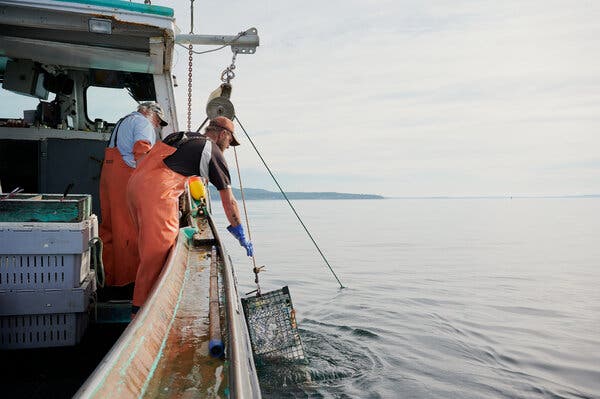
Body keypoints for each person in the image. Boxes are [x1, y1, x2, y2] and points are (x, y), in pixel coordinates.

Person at [126, 116, 253, 314]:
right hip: (157, 193)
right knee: (157, 256)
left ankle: (140, 303)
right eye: (230, 141)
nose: (228, 146)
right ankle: (141, 314)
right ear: (223, 134)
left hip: (134, 185)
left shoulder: (185, 137)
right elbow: (229, 201)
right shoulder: (213, 152)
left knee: (145, 248)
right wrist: (239, 231)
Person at [99, 101, 168, 288]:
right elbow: (142, 152)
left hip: (109, 175)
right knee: (127, 231)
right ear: (146, 111)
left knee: (109, 228)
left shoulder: (123, 121)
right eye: (157, 120)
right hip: (124, 180)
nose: (156, 125)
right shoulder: (143, 123)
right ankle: (127, 283)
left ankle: (108, 279)